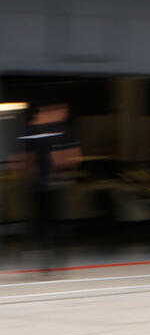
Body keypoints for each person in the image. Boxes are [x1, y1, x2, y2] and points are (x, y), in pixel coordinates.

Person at [20, 102, 80, 274]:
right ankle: (50, 260)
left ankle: (46, 260)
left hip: (42, 185)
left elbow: (28, 160)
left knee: (42, 223)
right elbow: (70, 158)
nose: (65, 113)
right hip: (49, 184)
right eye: (63, 110)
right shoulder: (60, 132)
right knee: (50, 223)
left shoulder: (36, 131)